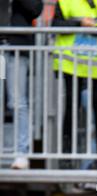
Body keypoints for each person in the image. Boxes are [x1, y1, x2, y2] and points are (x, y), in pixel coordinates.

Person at [52, 0, 97, 169]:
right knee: (71, 107)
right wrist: (79, 23)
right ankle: (66, 157)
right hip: (72, 63)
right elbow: (56, 24)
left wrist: (93, 28)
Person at [6, 0, 43, 169]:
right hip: (3, 50)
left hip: (16, 48)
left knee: (17, 102)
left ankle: (21, 153)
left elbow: (36, 9)